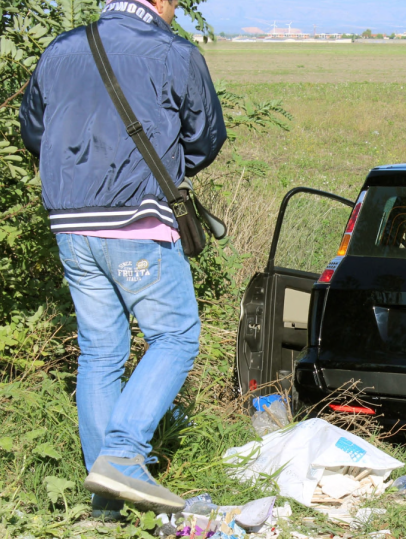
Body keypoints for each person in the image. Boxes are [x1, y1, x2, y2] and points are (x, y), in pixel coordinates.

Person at [19, 0, 226, 516]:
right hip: (136, 220)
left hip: (69, 224)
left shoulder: (61, 49)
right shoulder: (172, 52)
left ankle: (105, 509)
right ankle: (125, 457)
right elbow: (206, 137)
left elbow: (34, 134)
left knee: (100, 353)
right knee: (176, 336)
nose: (175, 11)